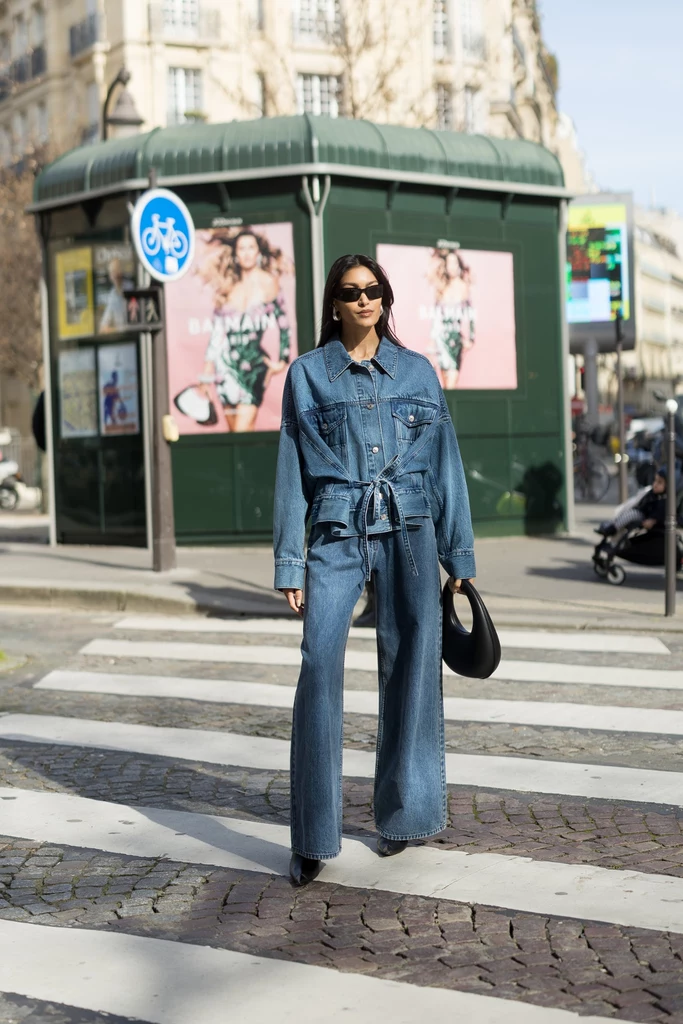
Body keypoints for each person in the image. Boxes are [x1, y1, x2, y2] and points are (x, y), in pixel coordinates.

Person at [273, 253, 476, 887]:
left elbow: (447, 465)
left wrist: (458, 557)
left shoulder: (418, 372)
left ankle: (404, 815)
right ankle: (312, 832)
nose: (365, 300)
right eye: (352, 292)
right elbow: (291, 469)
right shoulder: (306, 375)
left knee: (411, 662)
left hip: (411, 528)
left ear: (386, 301)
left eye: (375, 291)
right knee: (318, 661)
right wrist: (290, 562)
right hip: (336, 528)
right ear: (333, 303)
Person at [198, 230, 291, 432]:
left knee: (244, 429)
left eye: (251, 247)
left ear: (258, 251)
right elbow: (216, 335)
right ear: (235, 254)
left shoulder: (268, 282)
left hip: (254, 366)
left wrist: (282, 360)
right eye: (242, 248)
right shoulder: (227, 286)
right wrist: (206, 374)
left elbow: (284, 324)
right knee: (234, 435)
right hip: (225, 367)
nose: (247, 253)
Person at [428, 247, 476, 389]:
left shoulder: (464, 287)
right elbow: (435, 318)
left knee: (452, 383)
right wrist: (433, 340)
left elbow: (471, 316)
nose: (452, 266)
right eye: (449, 263)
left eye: (455, 263)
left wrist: (471, 338)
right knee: (445, 385)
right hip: (441, 339)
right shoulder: (441, 288)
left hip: (456, 339)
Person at [597, 469, 667, 551]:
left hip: (645, 517)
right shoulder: (651, 493)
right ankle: (613, 530)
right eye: (655, 481)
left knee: (632, 514)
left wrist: (652, 519)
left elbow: (659, 512)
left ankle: (613, 528)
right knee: (627, 514)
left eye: (660, 482)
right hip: (642, 513)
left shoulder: (663, 500)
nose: (655, 484)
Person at [99, 258, 128, 333]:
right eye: (112, 272)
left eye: (117, 270)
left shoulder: (131, 288)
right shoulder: (112, 295)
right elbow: (104, 326)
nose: (115, 274)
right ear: (110, 276)